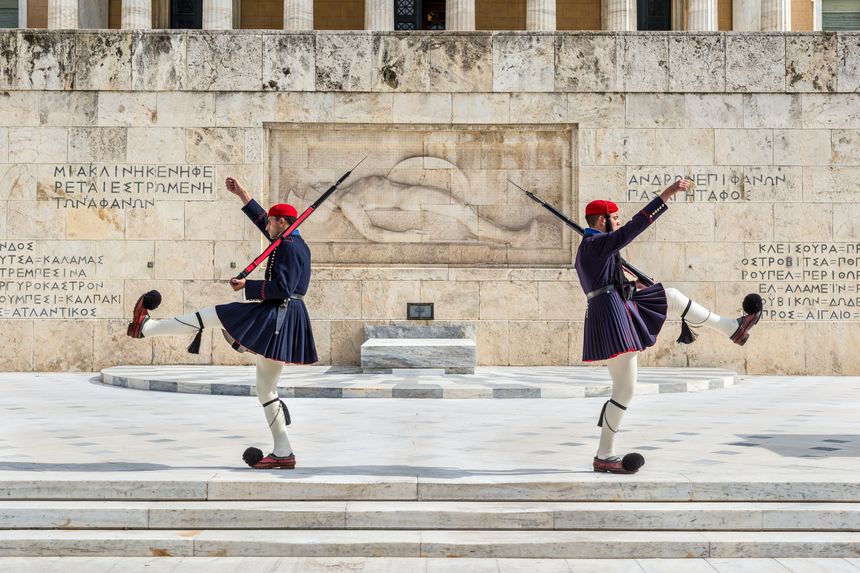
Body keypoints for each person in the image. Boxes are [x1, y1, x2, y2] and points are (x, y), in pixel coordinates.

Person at [126, 177, 317, 470]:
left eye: (271, 222)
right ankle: (283, 451)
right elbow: (262, 222)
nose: (267, 226)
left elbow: (282, 286)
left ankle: (146, 328)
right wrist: (243, 194)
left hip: (279, 314)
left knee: (217, 314)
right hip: (285, 315)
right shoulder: (292, 241)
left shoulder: (289, 247)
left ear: (281, 223)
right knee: (266, 389)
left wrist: (246, 286)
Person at [576, 180, 762, 474]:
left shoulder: (593, 247)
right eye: (615, 217)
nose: (619, 221)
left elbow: (606, 283)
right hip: (613, 318)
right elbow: (633, 228)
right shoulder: (596, 243)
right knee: (624, 391)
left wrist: (630, 284)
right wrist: (666, 195)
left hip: (616, 308)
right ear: (602, 221)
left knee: (671, 298)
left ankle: (732, 327)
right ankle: (604, 455)